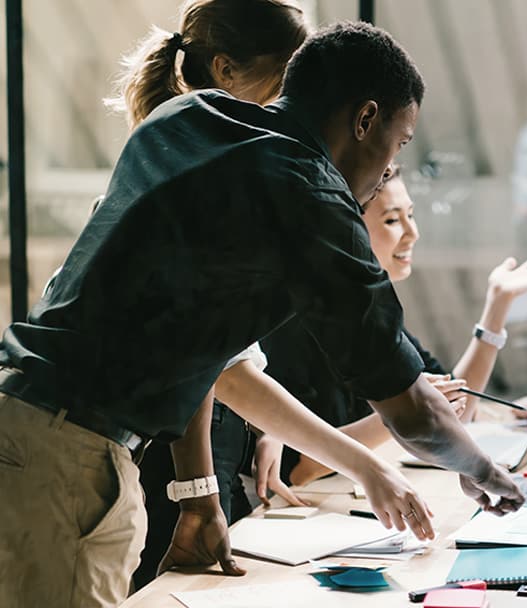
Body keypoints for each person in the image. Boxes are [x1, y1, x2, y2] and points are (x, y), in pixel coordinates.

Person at [0, 21, 523, 608]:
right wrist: (486, 470)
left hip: (25, 422)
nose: (385, 174)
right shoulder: (308, 192)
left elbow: (200, 350)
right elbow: (412, 410)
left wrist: (198, 497)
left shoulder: (189, 118)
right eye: (399, 144)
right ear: (365, 119)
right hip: (71, 460)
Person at [98, 0, 314, 590]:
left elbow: (206, 355)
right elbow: (220, 368)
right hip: (95, 453)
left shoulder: (183, 163)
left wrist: (199, 494)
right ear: (224, 71)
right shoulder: (189, 179)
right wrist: (370, 468)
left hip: (130, 456)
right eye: (288, 79)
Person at [271, 165, 527, 487]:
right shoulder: (298, 323)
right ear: (345, 227)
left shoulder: (372, 313)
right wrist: (408, 412)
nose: (413, 232)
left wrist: (497, 306)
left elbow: (454, 411)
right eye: (392, 220)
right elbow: (299, 468)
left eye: (411, 215)